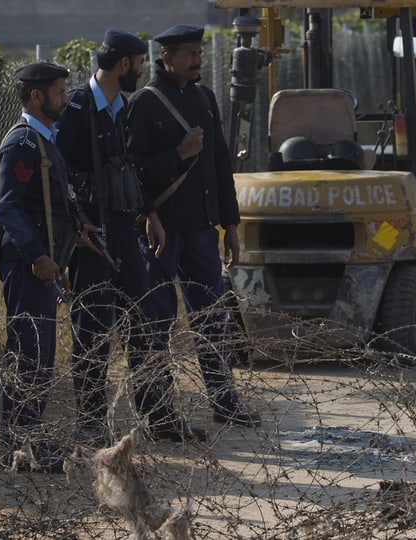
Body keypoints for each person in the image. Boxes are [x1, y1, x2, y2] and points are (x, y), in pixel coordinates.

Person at [57, 29, 216, 446]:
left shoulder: (119, 106)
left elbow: (124, 167)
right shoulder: (77, 106)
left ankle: (159, 415)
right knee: (92, 331)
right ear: (124, 64)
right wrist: (75, 224)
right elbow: (59, 173)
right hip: (92, 236)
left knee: (145, 323)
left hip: (125, 230)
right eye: (140, 63)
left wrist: (150, 213)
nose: (143, 70)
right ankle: (91, 421)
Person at [126, 24, 261, 436]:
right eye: (189, 53)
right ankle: (160, 414)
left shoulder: (204, 98)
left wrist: (231, 225)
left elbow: (221, 164)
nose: (198, 60)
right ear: (166, 58)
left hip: (202, 231)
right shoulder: (144, 105)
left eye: (199, 53)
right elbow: (134, 173)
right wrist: (178, 154)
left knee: (213, 320)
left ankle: (224, 401)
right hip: (162, 233)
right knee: (156, 323)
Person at [0, 62, 87, 472]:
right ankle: (19, 445)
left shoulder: (45, 140)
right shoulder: (23, 143)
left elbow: (47, 207)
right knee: (28, 355)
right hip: (25, 265)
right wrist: (38, 256)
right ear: (37, 96)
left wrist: (61, 253)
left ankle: (26, 444)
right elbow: (7, 207)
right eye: (60, 91)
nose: (65, 98)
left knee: (40, 357)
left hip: (42, 265)